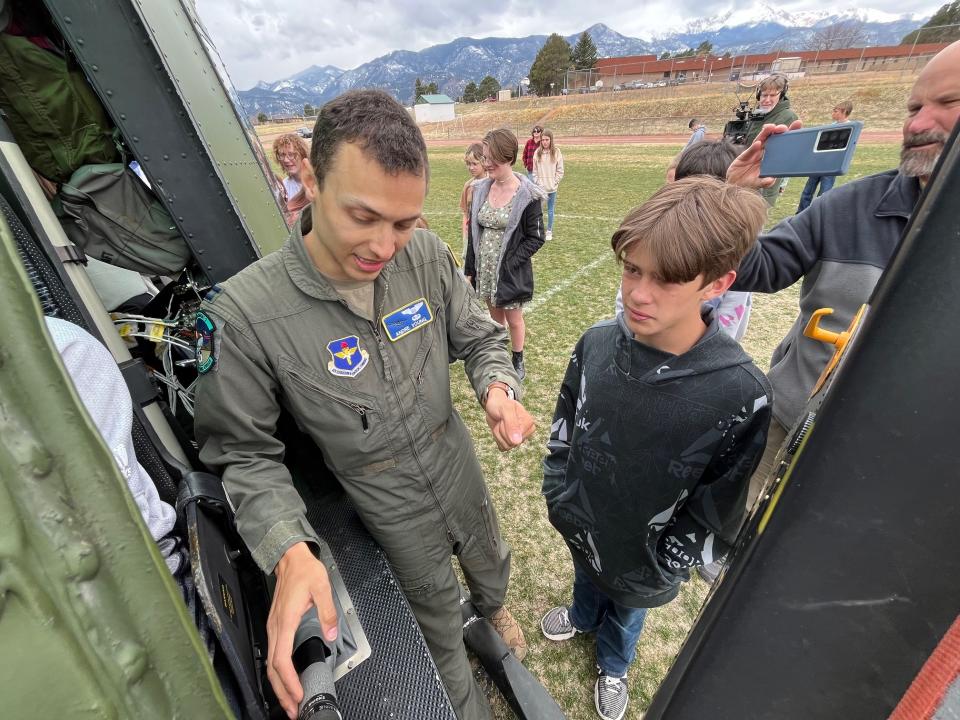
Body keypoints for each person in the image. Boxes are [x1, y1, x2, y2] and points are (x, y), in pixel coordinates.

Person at [194, 89, 536, 720]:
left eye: (404, 222)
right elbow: (244, 455)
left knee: (489, 559)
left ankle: (492, 612)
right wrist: (289, 548)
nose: (384, 246)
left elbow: (481, 335)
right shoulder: (245, 315)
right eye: (364, 216)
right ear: (311, 179)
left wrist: (496, 387)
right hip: (383, 499)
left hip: (453, 460)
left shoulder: (426, 257)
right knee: (433, 618)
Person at [540, 176, 772, 720]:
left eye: (667, 279)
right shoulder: (595, 345)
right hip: (585, 522)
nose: (638, 294)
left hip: (647, 561)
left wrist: (668, 562)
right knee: (588, 579)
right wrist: (561, 492)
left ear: (717, 284)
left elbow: (719, 500)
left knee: (626, 610)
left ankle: (615, 663)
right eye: (632, 269)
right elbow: (565, 427)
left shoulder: (740, 393)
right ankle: (580, 614)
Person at [726, 39, 960, 508]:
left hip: (914, 470)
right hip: (788, 429)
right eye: (914, 106)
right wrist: (731, 199)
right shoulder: (853, 206)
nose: (917, 123)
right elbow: (756, 268)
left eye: (948, 103)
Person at [615, 139, 753, 343]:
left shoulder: (735, 249)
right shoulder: (657, 232)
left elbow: (732, 316)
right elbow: (625, 298)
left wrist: (708, 357)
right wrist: (627, 334)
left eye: (669, 278)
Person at [464, 127, 546, 382]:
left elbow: (536, 237)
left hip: (509, 271)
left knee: (514, 319)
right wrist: (470, 268)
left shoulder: (528, 195)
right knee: (493, 317)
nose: (486, 164)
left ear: (508, 157)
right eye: (485, 158)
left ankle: (517, 358)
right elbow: (474, 233)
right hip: (486, 268)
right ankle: (498, 357)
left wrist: (510, 262)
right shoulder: (480, 189)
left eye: (491, 159)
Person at [745, 73, 799, 207]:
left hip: (764, 185)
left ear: (781, 95)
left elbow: (788, 154)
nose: (767, 100)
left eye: (772, 95)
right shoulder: (757, 115)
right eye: (764, 95)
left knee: (754, 224)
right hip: (746, 178)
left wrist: (784, 182)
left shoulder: (788, 116)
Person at [795, 100, 854, 213]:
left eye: (835, 111)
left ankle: (817, 215)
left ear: (844, 111)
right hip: (819, 164)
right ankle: (800, 214)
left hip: (831, 167)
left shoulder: (850, 128)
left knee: (824, 194)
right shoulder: (830, 126)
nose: (833, 113)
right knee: (807, 191)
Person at [532, 128, 564, 241]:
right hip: (541, 189)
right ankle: (538, 230)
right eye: (543, 140)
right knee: (538, 210)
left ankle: (549, 230)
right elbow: (534, 172)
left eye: (547, 139)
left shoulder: (557, 152)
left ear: (551, 140)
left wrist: (554, 182)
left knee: (550, 210)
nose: (545, 142)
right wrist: (538, 183)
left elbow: (560, 171)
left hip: (552, 189)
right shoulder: (537, 153)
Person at [273, 133, 311, 223]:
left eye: (291, 154)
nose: (286, 160)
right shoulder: (283, 187)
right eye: (282, 155)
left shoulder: (319, 181)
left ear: (303, 154)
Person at [460, 142, 486, 251]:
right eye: (468, 164)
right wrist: (465, 237)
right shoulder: (468, 186)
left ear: (484, 162)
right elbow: (465, 213)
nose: (471, 167)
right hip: (471, 234)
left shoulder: (492, 184)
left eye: (475, 164)